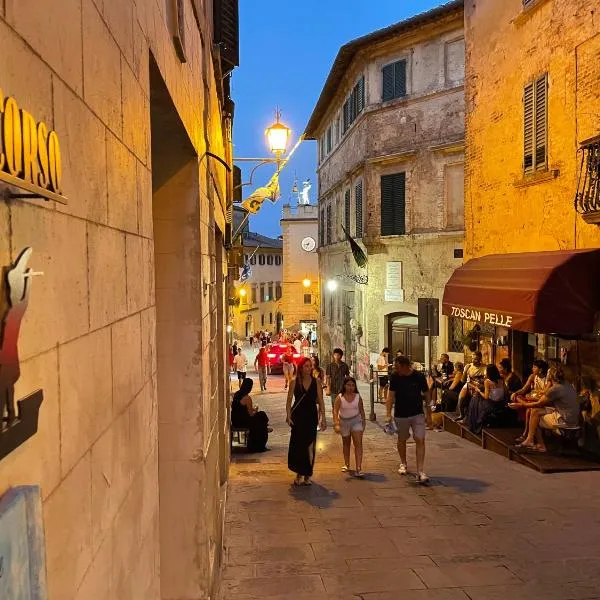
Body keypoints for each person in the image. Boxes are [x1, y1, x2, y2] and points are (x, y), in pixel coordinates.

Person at [509, 366, 579, 452]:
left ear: (550, 377)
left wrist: (520, 403)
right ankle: (531, 440)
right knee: (535, 411)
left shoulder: (555, 389)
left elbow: (538, 403)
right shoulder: (567, 384)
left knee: (535, 417)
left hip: (565, 419)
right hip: (572, 417)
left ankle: (535, 442)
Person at [386, 356, 430, 483]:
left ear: (405, 365)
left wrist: (429, 413)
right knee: (402, 439)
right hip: (401, 414)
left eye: (397, 366)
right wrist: (388, 414)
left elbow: (427, 394)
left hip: (417, 413)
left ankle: (420, 471)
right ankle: (403, 463)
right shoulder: (395, 377)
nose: (395, 369)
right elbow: (390, 396)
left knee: (420, 439)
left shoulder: (419, 377)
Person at [286, 357, 327, 485]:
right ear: (301, 368)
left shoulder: (317, 382)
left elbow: (320, 400)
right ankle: (299, 473)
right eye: (306, 366)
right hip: (298, 416)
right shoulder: (294, 382)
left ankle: (308, 474)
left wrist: (323, 417)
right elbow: (289, 401)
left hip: (310, 415)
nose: (309, 369)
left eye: (310, 366)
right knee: (298, 445)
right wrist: (288, 415)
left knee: (310, 445)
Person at [333, 377, 367, 477]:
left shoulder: (357, 397)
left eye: (352, 385)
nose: (351, 387)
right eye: (348, 385)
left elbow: (362, 410)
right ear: (344, 386)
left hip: (356, 421)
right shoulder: (340, 397)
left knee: (358, 444)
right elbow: (335, 410)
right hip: (344, 422)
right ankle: (347, 464)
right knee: (346, 443)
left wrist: (363, 422)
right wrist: (336, 423)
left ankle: (359, 468)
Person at [511, 360, 550, 443]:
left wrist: (532, 396)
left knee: (529, 409)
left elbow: (545, 395)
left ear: (541, 369)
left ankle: (526, 435)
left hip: (542, 401)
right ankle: (529, 436)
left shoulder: (548, 379)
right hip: (533, 400)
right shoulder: (532, 376)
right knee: (519, 398)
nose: (532, 369)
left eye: (534, 367)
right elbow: (524, 389)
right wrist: (515, 393)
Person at [231, 378, 271, 452]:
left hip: (235, 420)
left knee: (261, 416)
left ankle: (265, 425)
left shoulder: (237, 394)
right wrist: (255, 410)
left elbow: (242, 409)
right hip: (243, 422)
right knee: (261, 415)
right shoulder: (247, 398)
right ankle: (264, 431)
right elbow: (250, 414)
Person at [465, 364, 506, 434]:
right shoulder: (502, 379)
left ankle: (473, 424)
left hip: (492, 404)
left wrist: (478, 390)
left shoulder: (487, 381)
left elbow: (486, 397)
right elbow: (505, 391)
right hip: (501, 403)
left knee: (475, 398)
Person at [456, 351, 486, 420]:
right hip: (469, 383)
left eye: (475, 359)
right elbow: (462, 380)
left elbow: (485, 379)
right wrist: (465, 371)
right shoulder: (468, 366)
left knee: (476, 395)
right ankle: (461, 414)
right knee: (461, 398)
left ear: (480, 359)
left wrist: (478, 383)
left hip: (479, 385)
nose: (473, 360)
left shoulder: (484, 367)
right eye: (472, 358)